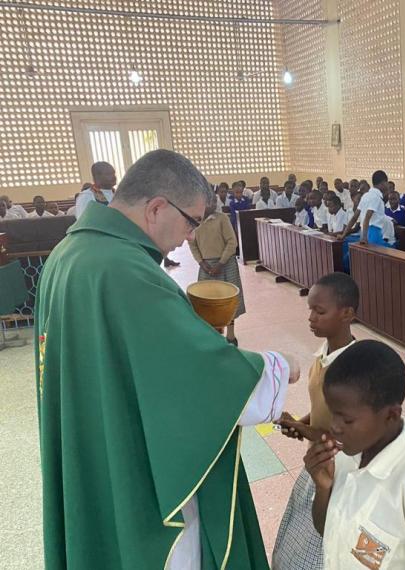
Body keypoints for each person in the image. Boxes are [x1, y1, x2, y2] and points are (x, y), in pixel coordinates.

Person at [34, 149, 301, 570]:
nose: (191, 237)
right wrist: (278, 367)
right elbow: (193, 378)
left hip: (95, 439)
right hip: (135, 466)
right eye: (191, 222)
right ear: (157, 208)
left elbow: (127, 355)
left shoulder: (70, 253)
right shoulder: (123, 270)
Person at [304, 340, 405, 569]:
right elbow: (325, 529)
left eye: (346, 420)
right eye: (332, 414)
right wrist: (323, 488)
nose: (334, 427)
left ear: (391, 415)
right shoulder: (343, 457)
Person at [272, 273, 358, 570]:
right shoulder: (323, 355)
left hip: (339, 470)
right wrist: (302, 422)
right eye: (310, 309)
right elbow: (322, 408)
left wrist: (302, 428)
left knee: (320, 547)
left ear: (347, 314)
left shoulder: (351, 370)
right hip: (318, 461)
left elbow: (342, 439)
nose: (311, 318)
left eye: (319, 312)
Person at [188, 205, 245, 345]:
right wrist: (201, 263)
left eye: (213, 201)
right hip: (206, 266)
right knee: (207, 303)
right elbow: (192, 244)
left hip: (226, 263)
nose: (212, 204)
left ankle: (231, 336)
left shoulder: (222, 218)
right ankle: (214, 337)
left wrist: (220, 263)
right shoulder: (194, 221)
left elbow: (232, 242)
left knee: (229, 301)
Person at [340, 171, 390, 267]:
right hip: (373, 233)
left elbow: (354, 217)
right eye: (387, 183)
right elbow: (367, 217)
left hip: (365, 231)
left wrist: (343, 235)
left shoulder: (366, 196)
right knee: (390, 253)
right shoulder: (376, 197)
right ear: (383, 183)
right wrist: (364, 238)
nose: (388, 185)